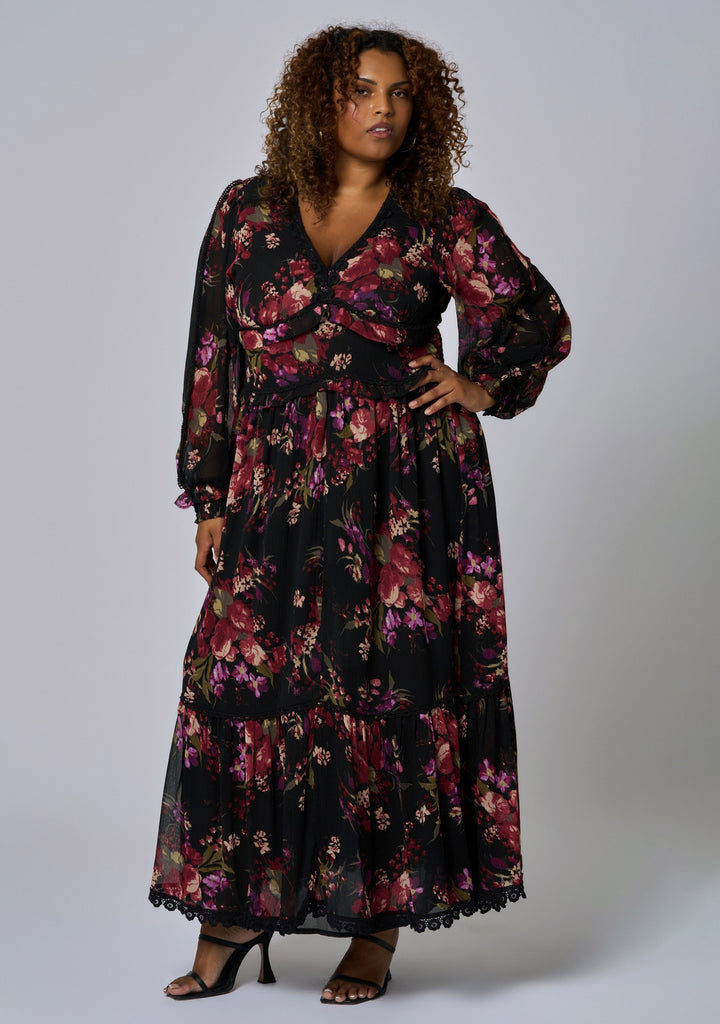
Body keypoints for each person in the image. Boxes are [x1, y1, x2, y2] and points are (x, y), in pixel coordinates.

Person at [149, 25, 571, 1005]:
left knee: (381, 685)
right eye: (362, 90)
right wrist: (209, 494)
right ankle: (235, 911)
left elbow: (536, 318)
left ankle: (376, 923)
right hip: (272, 486)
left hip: (403, 492)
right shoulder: (247, 212)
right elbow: (213, 355)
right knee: (236, 679)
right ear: (318, 101)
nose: (384, 109)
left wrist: (479, 386)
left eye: (401, 92)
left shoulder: (442, 217)